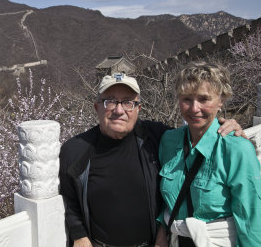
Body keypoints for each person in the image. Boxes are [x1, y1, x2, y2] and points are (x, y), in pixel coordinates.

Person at [59, 72, 244, 247]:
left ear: (138, 108)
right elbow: (70, 196)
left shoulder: (157, 137)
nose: (119, 110)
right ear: (97, 107)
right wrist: (79, 235)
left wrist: (224, 124)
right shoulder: (75, 149)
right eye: (110, 101)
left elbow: (196, 132)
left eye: (128, 103)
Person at [155, 61, 261, 246]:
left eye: (204, 99)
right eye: (187, 99)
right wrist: (161, 230)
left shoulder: (236, 149)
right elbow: (166, 200)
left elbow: (250, 216)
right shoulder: (169, 141)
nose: (194, 108)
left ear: (221, 101)